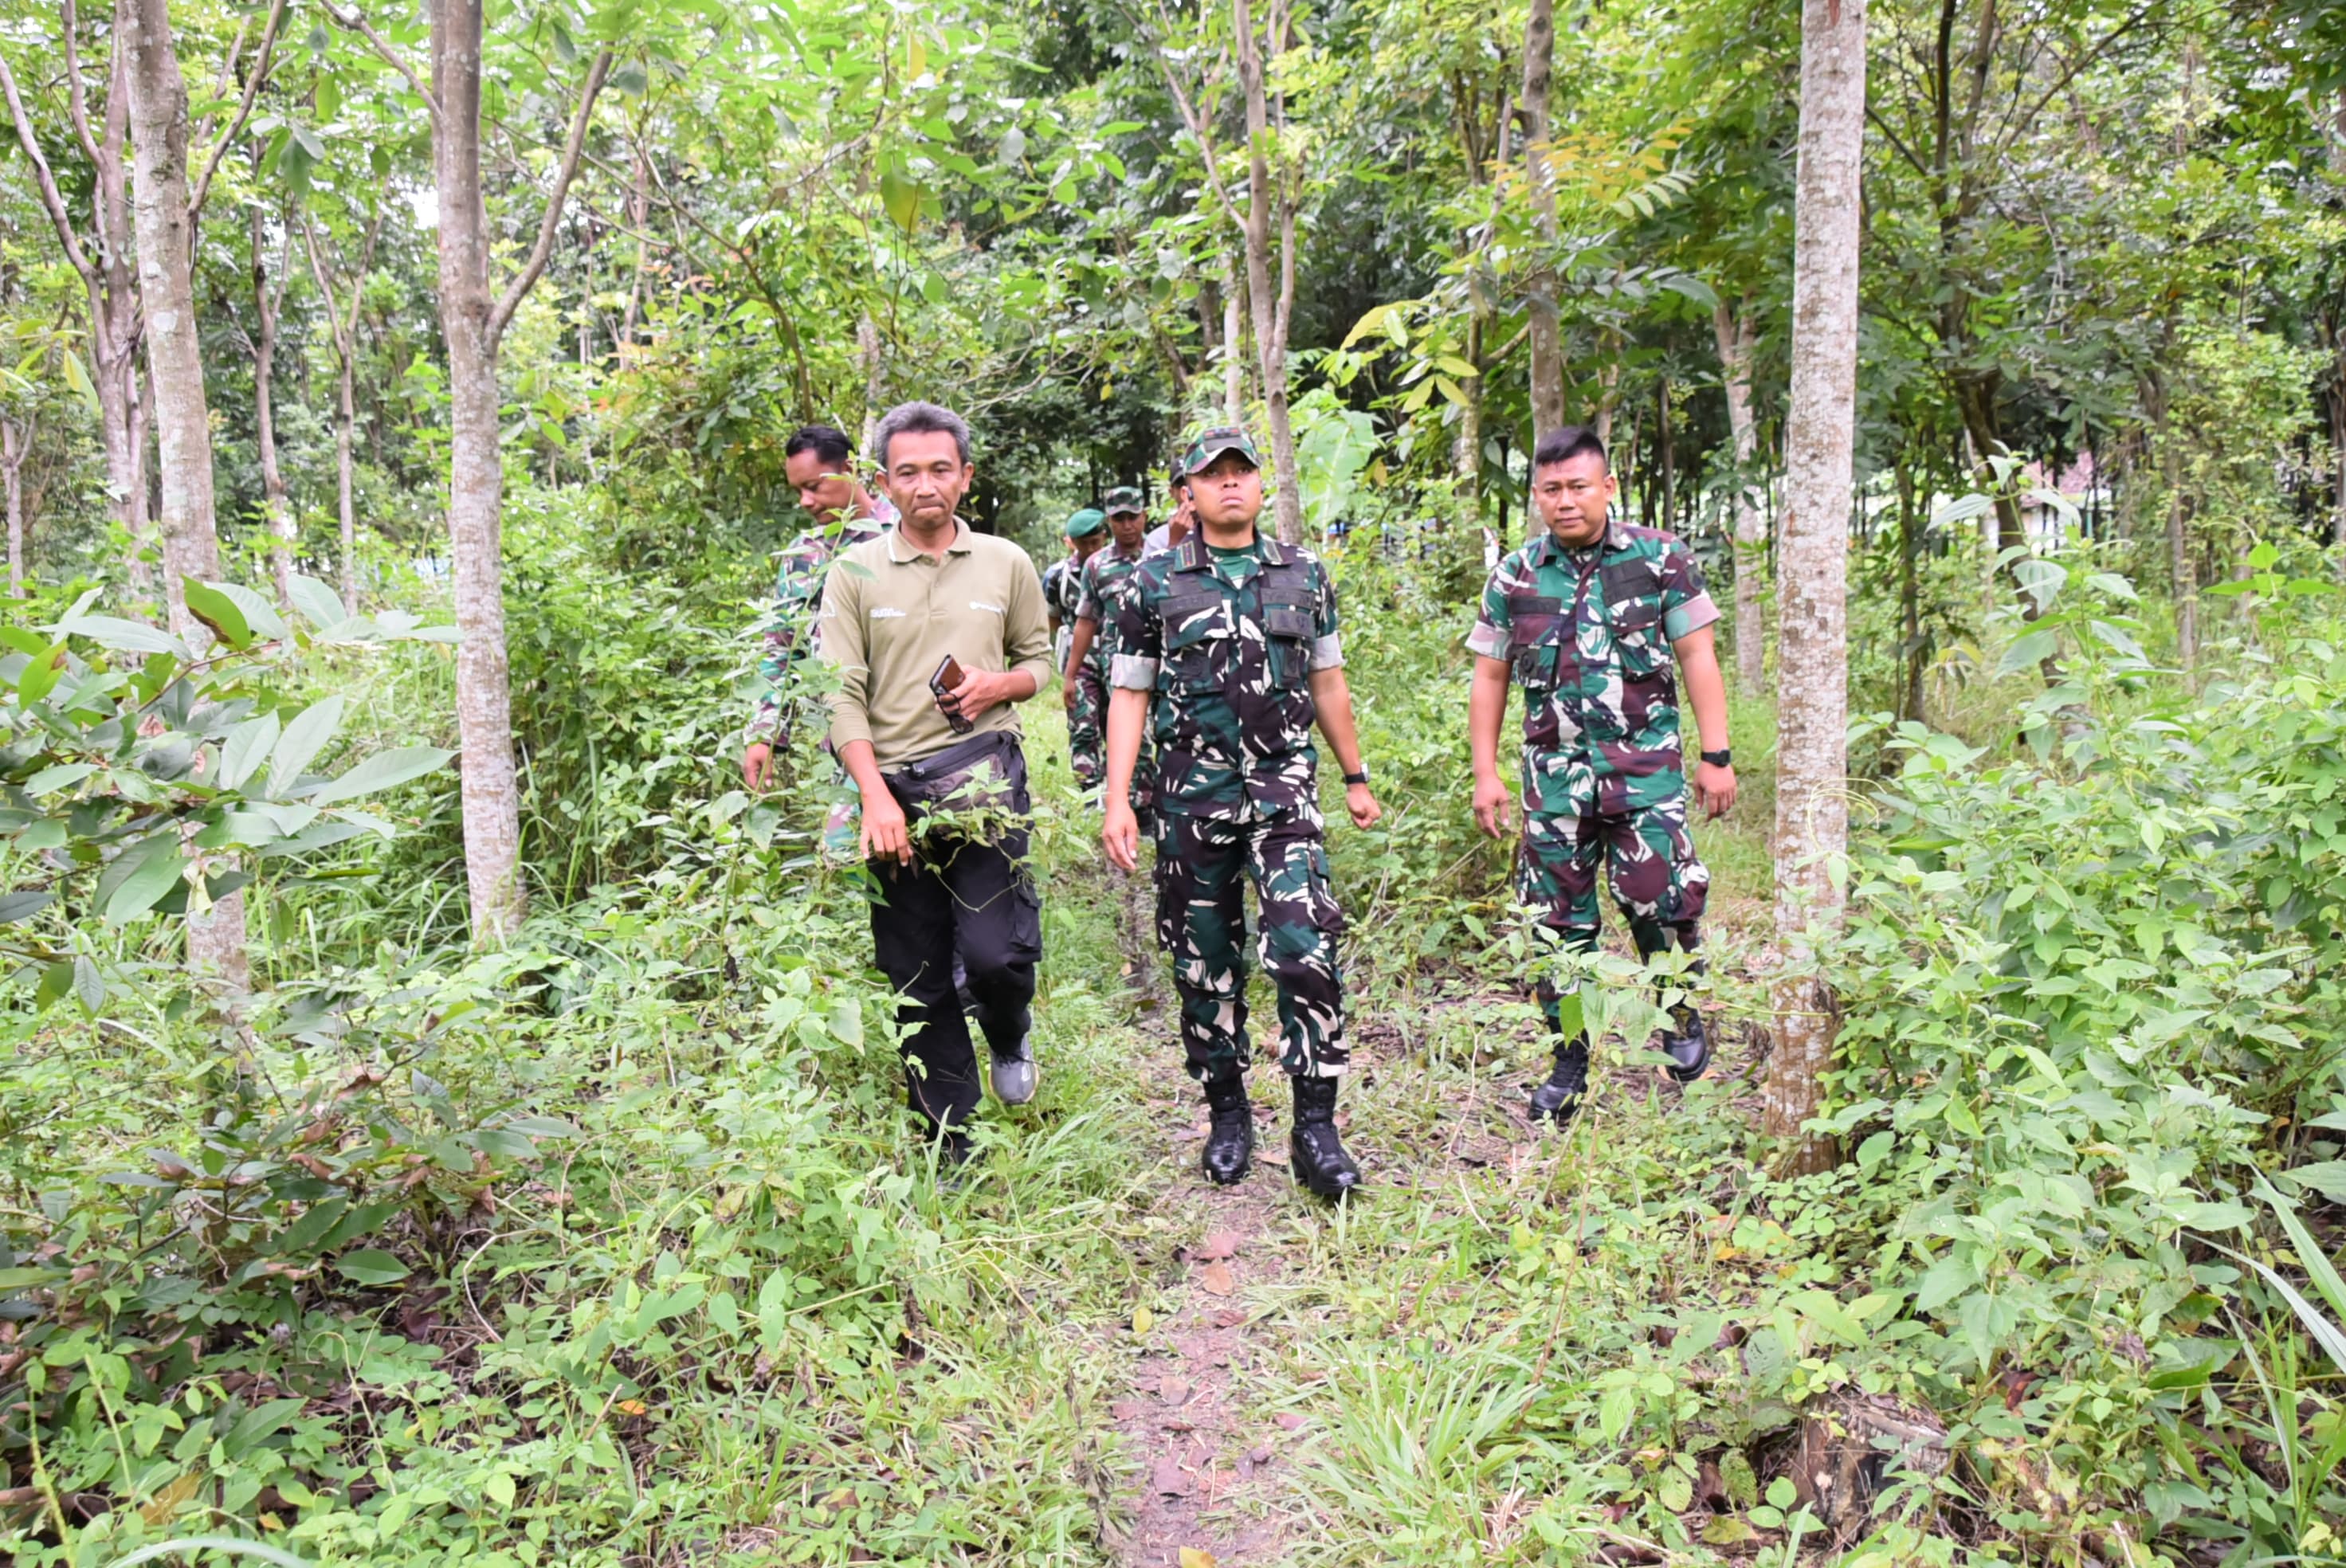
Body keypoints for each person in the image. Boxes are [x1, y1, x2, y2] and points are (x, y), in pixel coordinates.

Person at [1102, 428, 1382, 1199]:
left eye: (1241, 474)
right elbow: (1130, 692)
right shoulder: (1150, 584)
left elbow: (1328, 683)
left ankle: (1315, 1128)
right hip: (1192, 799)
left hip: (1284, 797)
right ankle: (1227, 1113)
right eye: (1211, 476)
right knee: (1204, 962)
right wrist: (1117, 796)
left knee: (1304, 949)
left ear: (1261, 488)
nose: (1229, 486)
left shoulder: (1305, 576)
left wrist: (1354, 776)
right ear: (1185, 493)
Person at [1464, 425, 1736, 1126]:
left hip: (1644, 774)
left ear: (1608, 487)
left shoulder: (1659, 560)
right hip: (1554, 784)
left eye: (1579, 486)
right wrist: (1485, 772)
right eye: (1551, 490)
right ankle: (1569, 1059)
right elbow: (1490, 676)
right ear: (1537, 496)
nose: (1565, 501)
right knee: (1559, 928)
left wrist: (1716, 756)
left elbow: (1699, 658)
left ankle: (1678, 1012)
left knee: (1658, 898)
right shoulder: (1516, 576)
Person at [818, 402, 1053, 1168]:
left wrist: (998, 685)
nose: (926, 485)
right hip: (892, 791)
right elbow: (840, 692)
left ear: (966, 476)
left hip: (985, 776)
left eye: (941, 469)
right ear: (883, 481)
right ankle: (953, 1143)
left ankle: (1010, 1030)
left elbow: (1041, 665)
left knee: (995, 957)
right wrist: (873, 795)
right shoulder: (852, 573)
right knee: (915, 972)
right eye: (909, 471)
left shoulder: (1006, 563)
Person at [743, 425, 897, 790]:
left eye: (813, 487)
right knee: (845, 847)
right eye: (798, 491)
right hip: (847, 746)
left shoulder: (904, 534)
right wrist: (766, 734)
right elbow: (783, 645)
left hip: (922, 741)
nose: (805, 502)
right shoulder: (804, 554)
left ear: (849, 470)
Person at [1063, 487, 1151, 798]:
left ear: (1145, 516)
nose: (1127, 525)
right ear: (1109, 523)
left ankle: (1153, 804)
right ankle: (1128, 801)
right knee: (1125, 733)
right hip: (1118, 665)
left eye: (1133, 517)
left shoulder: (1163, 555)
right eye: (1119, 519)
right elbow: (1086, 620)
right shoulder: (1097, 566)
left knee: (1155, 735)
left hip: (1163, 665)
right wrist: (1070, 674)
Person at [1043, 510, 1106, 682]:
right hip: (1079, 659)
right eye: (1083, 543)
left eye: (1095, 542)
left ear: (1104, 537)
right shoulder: (1058, 576)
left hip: (1114, 656)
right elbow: (1053, 617)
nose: (1091, 548)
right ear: (1072, 542)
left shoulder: (1118, 570)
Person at [1144, 454, 1195, 557]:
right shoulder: (1157, 539)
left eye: (1191, 483)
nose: (1187, 491)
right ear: (1171, 492)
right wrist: (1175, 542)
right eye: (1181, 485)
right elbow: (1151, 571)